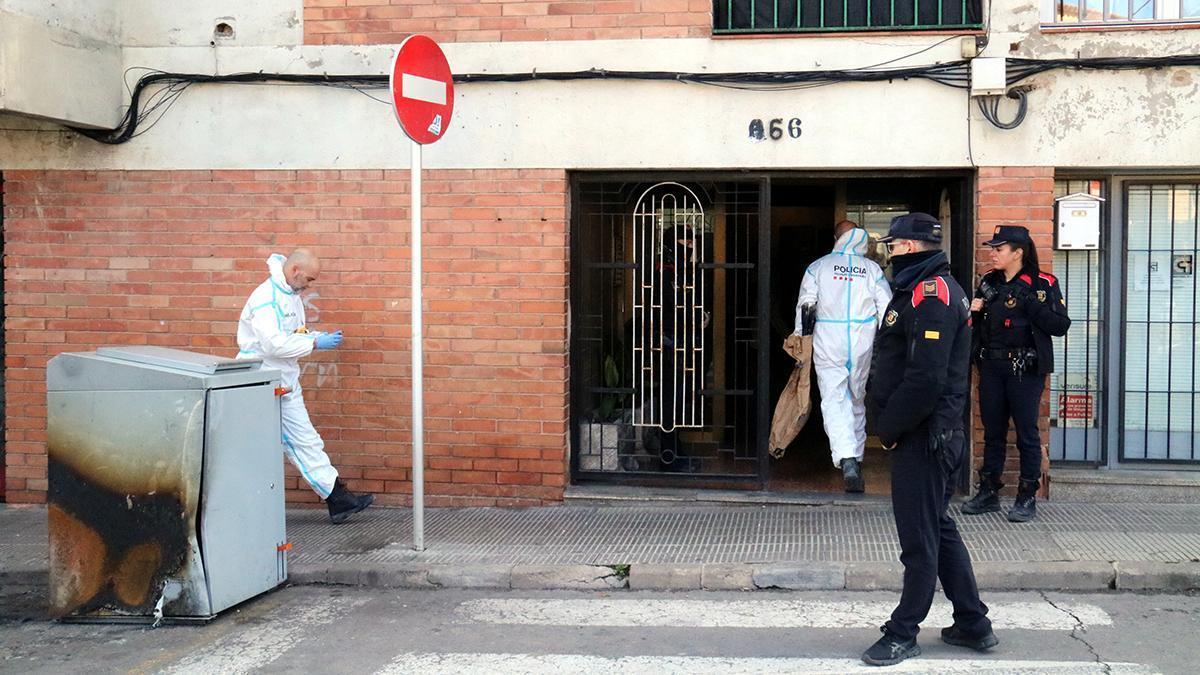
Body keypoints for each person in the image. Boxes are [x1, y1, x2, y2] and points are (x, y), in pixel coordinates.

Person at [863, 212, 996, 666]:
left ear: (911, 247)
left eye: (893, 246)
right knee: (937, 526)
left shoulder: (932, 293)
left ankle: (903, 632)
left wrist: (889, 429)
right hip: (925, 433)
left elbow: (926, 379)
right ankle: (973, 623)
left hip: (924, 436)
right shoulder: (918, 289)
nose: (889, 252)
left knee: (919, 539)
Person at [236, 250, 374, 524]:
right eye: (309, 279)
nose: (310, 285)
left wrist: (312, 336)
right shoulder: (267, 298)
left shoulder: (288, 295)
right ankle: (334, 498)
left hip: (282, 381)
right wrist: (312, 343)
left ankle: (337, 498)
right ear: (295, 269)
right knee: (256, 446)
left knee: (304, 441)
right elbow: (273, 344)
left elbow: (290, 335)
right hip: (263, 381)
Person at [964, 225, 1071, 522]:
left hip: (1025, 369)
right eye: (992, 248)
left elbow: (1060, 326)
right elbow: (977, 327)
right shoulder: (989, 282)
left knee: (1026, 433)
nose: (992, 253)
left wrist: (1033, 305)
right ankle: (988, 492)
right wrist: (974, 312)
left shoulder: (1043, 284)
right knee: (993, 432)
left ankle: (1026, 496)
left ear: (1018, 252)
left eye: (999, 249)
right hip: (992, 367)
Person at [794, 220, 892, 492]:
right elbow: (886, 309)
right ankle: (856, 455)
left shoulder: (819, 267)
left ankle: (847, 459)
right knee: (856, 396)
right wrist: (890, 343)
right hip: (862, 339)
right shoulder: (872, 270)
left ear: (836, 238)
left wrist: (801, 339)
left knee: (835, 398)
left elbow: (807, 306)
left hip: (829, 337)